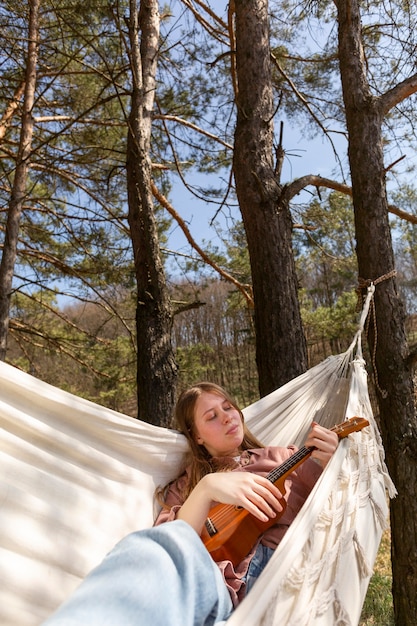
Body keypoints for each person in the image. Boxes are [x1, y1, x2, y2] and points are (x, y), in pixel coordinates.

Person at [42, 382, 338, 626]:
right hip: (214, 591)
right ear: (196, 436)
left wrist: (327, 462)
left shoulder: (282, 457)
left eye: (228, 407)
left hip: (276, 575)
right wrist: (207, 488)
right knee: (142, 550)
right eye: (211, 416)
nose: (226, 417)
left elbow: (327, 507)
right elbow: (171, 545)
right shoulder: (186, 486)